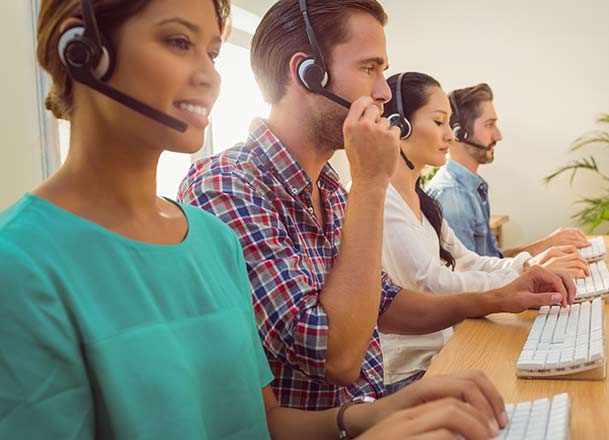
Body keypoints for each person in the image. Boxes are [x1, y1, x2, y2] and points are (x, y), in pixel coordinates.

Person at [0, 1, 514, 438]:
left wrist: (373, 416)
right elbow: (336, 355)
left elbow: (258, 420)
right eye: (178, 42)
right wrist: (373, 185)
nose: (211, 77)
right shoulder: (21, 266)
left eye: (213, 52)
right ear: (82, 52)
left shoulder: (210, 240)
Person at [179, 0, 574, 411]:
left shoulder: (327, 186)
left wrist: (500, 298)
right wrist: (369, 181)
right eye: (370, 69)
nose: (384, 92)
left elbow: (386, 302)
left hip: (371, 406)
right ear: (306, 73)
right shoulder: (229, 185)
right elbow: (337, 356)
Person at [377, 72, 588, 386]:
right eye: (439, 122)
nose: (450, 135)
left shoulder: (422, 199)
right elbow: (431, 284)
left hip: (445, 349)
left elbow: (468, 259)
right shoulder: (381, 200)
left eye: (450, 123)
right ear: (399, 125)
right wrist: (518, 280)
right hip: (412, 372)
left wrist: (528, 267)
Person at [426, 83, 591, 258]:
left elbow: (492, 262)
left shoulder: (469, 188)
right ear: (459, 133)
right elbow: (468, 279)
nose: (498, 136)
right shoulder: (453, 196)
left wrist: (547, 246)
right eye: (489, 125)